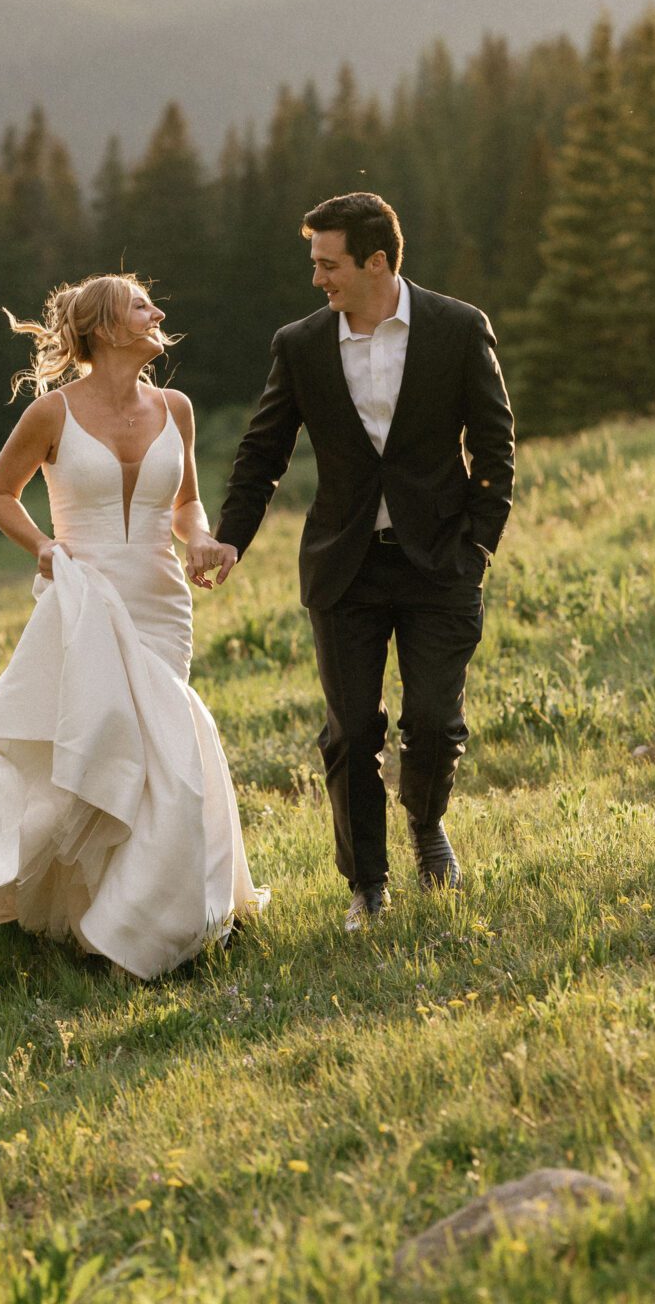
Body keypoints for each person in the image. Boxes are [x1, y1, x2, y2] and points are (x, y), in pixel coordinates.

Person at [0, 273, 265, 978]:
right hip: (84, 600)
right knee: (109, 746)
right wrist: (45, 549)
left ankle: (151, 921)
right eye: (143, 305)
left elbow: (186, 507)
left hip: (159, 598)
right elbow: (0, 496)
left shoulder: (176, 407)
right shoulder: (50, 415)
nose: (159, 313)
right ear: (107, 327)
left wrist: (202, 542)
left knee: (162, 752)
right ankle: (117, 924)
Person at [213, 193, 514, 932]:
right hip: (343, 567)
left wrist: (478, 542)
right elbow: (263, 452)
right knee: (351, 731)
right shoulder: (302, 344)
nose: (317, 277)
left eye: (328, 262)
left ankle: (426, 824)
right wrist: (230, 537)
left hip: (440, 561)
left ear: (376, 262)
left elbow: (496, 443)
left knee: (436, 724)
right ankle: (367, 886)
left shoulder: (456, 328)